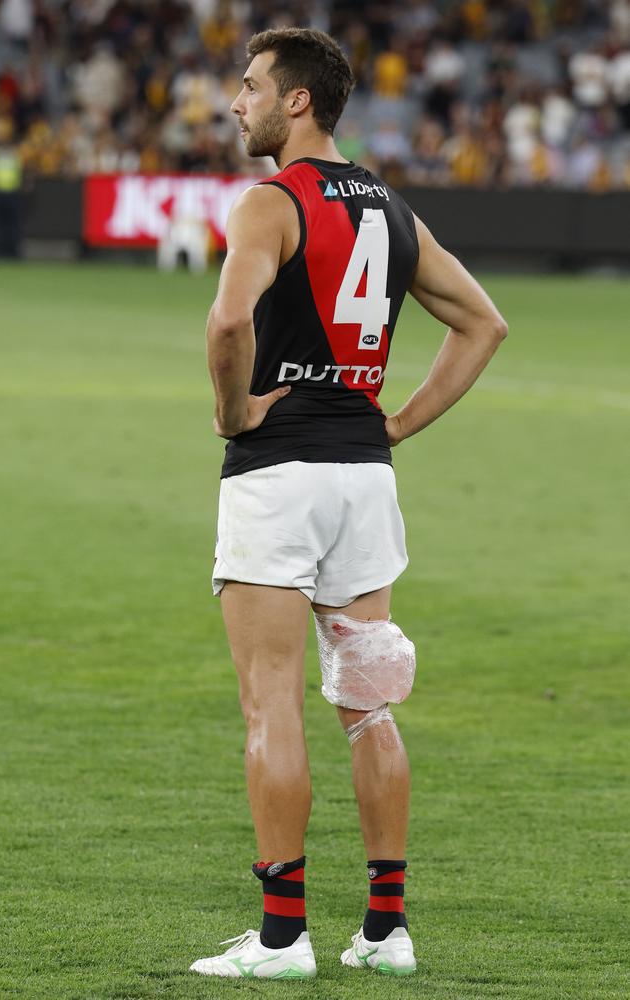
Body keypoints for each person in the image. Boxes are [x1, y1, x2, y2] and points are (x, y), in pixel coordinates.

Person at [190, 27, 507, 980]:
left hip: (280, 475)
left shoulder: (270, 201)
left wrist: (232, 410)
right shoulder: (391, 207)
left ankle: (282, 938)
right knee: (369, 707)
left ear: (297, 101)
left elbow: (230, 319)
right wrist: (397, 424)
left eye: (249, 87)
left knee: (270, 704)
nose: (235, 102)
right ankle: (385, 930)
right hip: (366, 481)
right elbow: (483, 323)